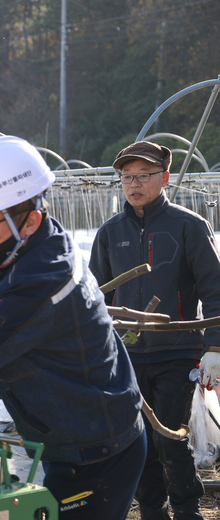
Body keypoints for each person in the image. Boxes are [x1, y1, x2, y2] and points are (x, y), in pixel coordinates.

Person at [0, 136, 145, 520]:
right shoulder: (19, 244)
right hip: (63, 435)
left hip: (98, 449)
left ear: (29, 219)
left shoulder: (43, 280)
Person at [89, 141, 220, 520]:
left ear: (163, 178)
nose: (133, 184)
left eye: (143, 176)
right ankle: (151, 509)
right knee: (138, 438)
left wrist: (214, 345)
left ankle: (186, 508)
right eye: (126, 177)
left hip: (177, 350)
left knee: (170, 436)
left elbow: (213, 288)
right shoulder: (110, 232)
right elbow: (96, 295)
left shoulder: (189, 226)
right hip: (127, 354)